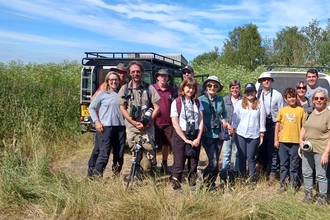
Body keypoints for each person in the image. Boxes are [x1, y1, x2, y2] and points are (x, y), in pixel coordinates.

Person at [116, 60, 160, 176]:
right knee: (135, 153)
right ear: (129, 73)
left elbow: (157, 107)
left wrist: (149, 121)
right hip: (132, 128)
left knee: (150, 152)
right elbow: (122, 108)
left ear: (142, 73)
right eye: (133, 72)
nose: (136, 74)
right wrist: (133, 123)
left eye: (138, 71)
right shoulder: (125, 89)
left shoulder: (149, 88)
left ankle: (152, 175)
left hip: (147, 127)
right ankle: (137, 175)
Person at [87, 71, 126, 178]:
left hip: (120, 127)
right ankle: (96, 176)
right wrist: (97, 121)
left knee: (119, 153)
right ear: (107, 81)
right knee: (104, 153)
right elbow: (92, 107)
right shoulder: (103, 93)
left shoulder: (122, 93)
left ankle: (116, 174)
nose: (114, 81)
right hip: (106, 127)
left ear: (119, 81)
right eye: (111, 80)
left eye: (116, 80)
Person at [170, 77, 204, 193]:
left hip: (194, 135)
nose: (191, 90)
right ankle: (176, 188)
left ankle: (192, 187)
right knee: (179, 164)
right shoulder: (177, 102)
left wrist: (198, 138)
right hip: (181, 135)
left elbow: (200, 121)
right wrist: (185, 139)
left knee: (193, 164)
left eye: (193, 88)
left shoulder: (197, 102)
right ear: (183, 88)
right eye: (188, 87)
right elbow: (175, 123)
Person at [299, 89, 330, 206]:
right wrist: (300, 140)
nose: (319, 100)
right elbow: (304, 128)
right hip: (307, 149)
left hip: (321, 150)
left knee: (321, 175)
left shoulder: (328, 114)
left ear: (325, 100)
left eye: (321, 98)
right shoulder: (309, 112)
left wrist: (326, 152)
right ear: (313, 100)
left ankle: (322, 198)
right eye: (316, 98)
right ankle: (308, 195)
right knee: (306, 173)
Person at [198, 76, 229, 189]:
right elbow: (196, 114)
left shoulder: (220, 99)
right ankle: (205, 183)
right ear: (206, 87)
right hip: (207, 134)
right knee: (214, 161)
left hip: (218, 133)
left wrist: (224, 120)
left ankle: (211, 184)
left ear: (218, 88)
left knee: (216, 160)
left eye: (215, 86)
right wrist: (201, 124)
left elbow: (224, 113)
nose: (212, 87)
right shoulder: (200, 99)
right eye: (210, 85)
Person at [233, 83, 266, 188]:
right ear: (245, 93)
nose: (249, 93)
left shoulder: (260, 105)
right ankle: (243, 178)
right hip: (240, 133)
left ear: (255, 92)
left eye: (252, 91)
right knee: (241, 157)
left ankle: (251, 180)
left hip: (254, 135)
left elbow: (262, 121)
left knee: (251, 158)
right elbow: (235, 119)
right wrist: (233, 131)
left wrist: (261, 135)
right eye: (247, 91)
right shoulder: (239, 103)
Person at [274, 88, 306, 192]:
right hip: (283, 141)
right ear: (285, 99)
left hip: (295, 142)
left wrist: (301, 140)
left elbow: (304, 126)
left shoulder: (300, 110)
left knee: (294, 165)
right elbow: (278, 125)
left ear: (296, 98)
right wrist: (276, 140)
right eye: (289, 97)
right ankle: (282, 184)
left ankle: (293, 185)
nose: (292, 99)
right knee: (283, 164)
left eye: (293, 97)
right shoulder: (282, 110)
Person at [257, 73, 283, 184]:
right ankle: (264, 169)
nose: (266, 81)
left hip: (273, 125)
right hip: (261, 126)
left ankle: (272, 172)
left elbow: (281, 112)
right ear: (261, 82)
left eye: (268, 79)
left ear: (271, 81)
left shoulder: (277, 95)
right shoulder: (257, 95)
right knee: (261, 149)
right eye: (264, 80)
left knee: (272, 150)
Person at [152, 69, 175, 174]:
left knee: (166, 144)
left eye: (165, 76)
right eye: (161, 76)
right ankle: (153, 164)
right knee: (153, 145)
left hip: (168, 123)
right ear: (157, 77)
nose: (163, 78)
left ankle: (164, 164)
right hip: (155, 122)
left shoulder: (171, 90)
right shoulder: (152, 88)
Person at [222, 80, 242, 173]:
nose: (235, 90)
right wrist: (227, 125)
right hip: (227, 129)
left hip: (239, 131)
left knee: (238, 153)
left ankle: (237, 172)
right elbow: (220, 114)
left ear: (240, 89)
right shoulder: (224, 100)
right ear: (230, 89)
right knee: (227, 153)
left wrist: (236, 127)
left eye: (237, 87)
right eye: (233, 87)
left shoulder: (244, 100)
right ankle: (225, 172)